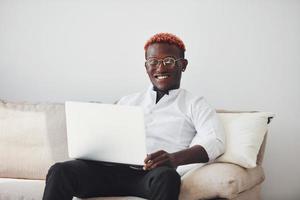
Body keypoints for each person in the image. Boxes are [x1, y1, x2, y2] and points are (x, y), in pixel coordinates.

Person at [43, 33, 225, 200]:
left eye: (168, 61)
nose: (160, 67)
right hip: (109, 172)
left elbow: (215, 141)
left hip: (149, 177)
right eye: (153, 61)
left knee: (167, 177)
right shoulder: (128, 101)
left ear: (183, 65)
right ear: (146, 67)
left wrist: (173, 158)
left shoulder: (194, 103)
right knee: (60, 170)